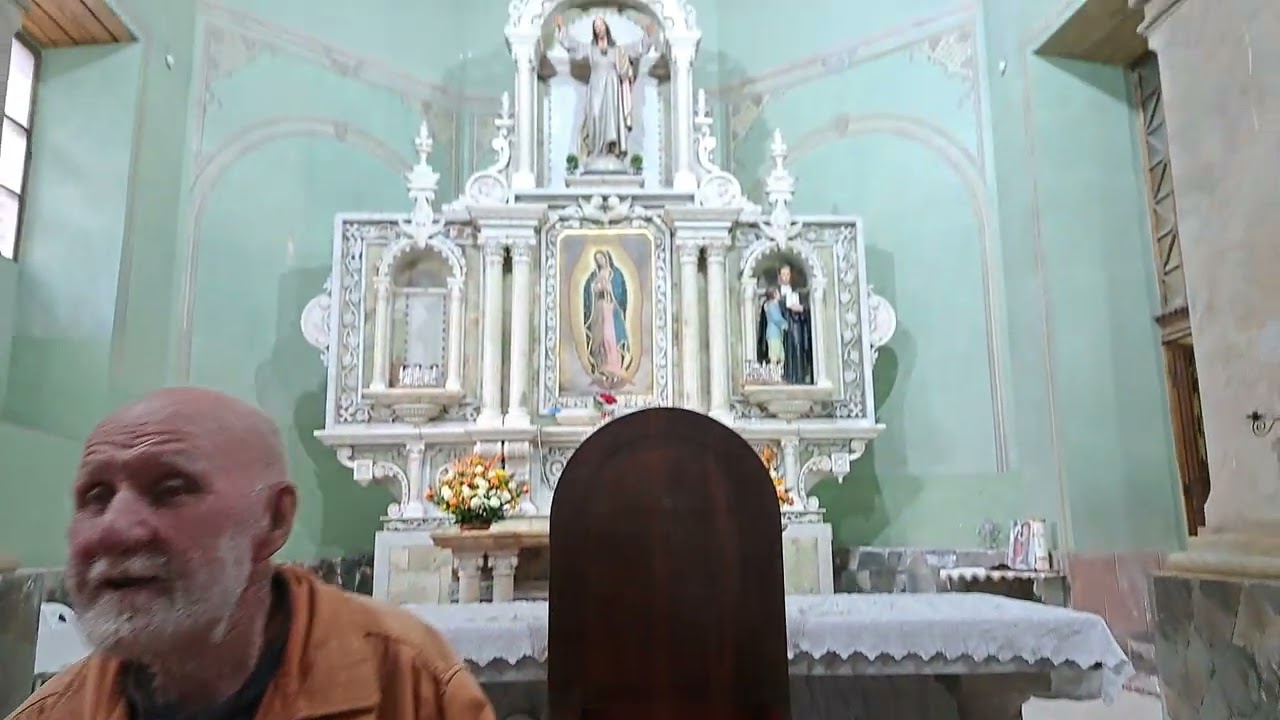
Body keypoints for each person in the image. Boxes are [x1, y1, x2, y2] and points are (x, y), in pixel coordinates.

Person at [8, 387, 494, 720]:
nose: (115, 529)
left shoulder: (411, 685)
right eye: (95, 497)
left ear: (274, 520)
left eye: (171, 488)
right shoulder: (54, 713)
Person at [555, 14, 657, 159]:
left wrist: (647, 35)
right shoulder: (590, 49)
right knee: (595, 115)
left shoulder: (617, 50)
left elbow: (637, 49)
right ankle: (596, 151)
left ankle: (611, 150)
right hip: (596, 87)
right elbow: (573, 46)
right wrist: (561, 29)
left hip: (612, 88)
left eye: (600, 25)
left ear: (606, 28)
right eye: (596, 27)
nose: (598, 29)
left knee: (612, 119)